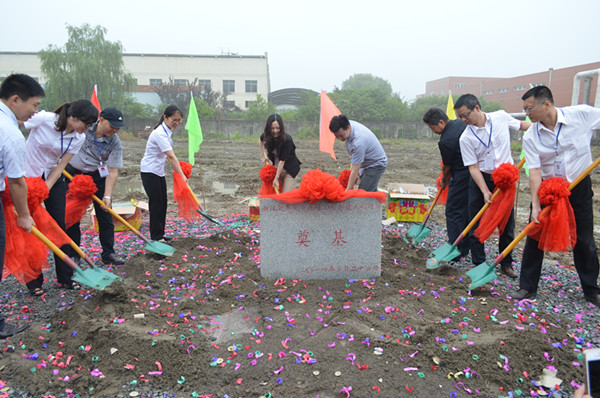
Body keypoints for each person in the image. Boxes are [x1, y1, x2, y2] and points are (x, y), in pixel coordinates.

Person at [511, 86, 600, 304]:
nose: (527, 114)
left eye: (530, 108)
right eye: (524, 109)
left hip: (577, 186)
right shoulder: (532, 135)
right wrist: (536, 204)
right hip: (548, 189)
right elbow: (534, 170)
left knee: (584, 238)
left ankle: (591, 288)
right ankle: (527, 286)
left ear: (547, 104)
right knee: (534, 235)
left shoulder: (582, 115)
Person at [23, 99, 99, 295]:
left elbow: (60, 166)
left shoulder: (79, 138)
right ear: (73, 117)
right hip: (27, 176)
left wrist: (45, 188)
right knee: (30, 228)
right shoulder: (45, 119)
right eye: (86, 123)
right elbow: (18, 125)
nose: (88, 128)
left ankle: (65, 277)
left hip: (51, 180)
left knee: (59, 225)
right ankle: (34, 281)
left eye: (91, 125)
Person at [454, 94, 530, 278]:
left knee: (507, 224)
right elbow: (473, 167)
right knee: (476, 221)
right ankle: (479, 263)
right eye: (460, 117)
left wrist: (542, 127)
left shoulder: (501, 117)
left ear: (477, 108)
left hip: (505, 181)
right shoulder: (466, 138)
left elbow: (522, 126)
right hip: (483, 179)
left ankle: (506, 263)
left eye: (466, 115)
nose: (464, 120)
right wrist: (485, 190)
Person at [0, 74, 43, 336]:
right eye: (34, 105)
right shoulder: (10, 133)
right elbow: (17, 182)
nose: (35, 111)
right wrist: (25, 216)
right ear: (16, 100)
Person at [65, 107, 126, 265]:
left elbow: (112, 171)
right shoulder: (83, 129)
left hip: (97, 176)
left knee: (105, 216)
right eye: (112, 126)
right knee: (73, 216)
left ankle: (108, 253)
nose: (115, 130)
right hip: (73, 174)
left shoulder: (115, 142)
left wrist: (107, 196)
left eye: (118, 127)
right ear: (102, 120)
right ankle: (74, 255)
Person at [423, 108, 471, 259]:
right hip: (475, 173)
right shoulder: (460, 124)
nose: (433, 131)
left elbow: (447, 166)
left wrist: (444, 181)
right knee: (466, 212)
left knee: (453, 211)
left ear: (441, 122)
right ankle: (464, 248)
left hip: (462, 175)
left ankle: (454, 249)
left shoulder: (445, 141)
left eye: (433, 128)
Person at [140, 105, 188, 242]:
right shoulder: (160, 133)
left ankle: (160, 234)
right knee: (156, 204)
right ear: (165, 117)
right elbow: (171, 157)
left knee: (163, 204)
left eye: (179, 121)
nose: (177, 123)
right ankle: (156, 237)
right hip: (149, 171)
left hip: (158, 172)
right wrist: (181, 175)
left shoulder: (167, 131)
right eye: (174, 120)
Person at [329, 114, 387, 192]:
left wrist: (348, 190)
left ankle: (381, 198)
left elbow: (355, 170)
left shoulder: (358, 142)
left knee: (363, 193)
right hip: (365, 162)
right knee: (369, 188)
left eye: (341, 135)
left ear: (348, 128)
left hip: (376, 163)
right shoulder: (347, 125)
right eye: (337, 136)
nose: (340, 138)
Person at [259, 114, 302, 192]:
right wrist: (263, 156)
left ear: (281, 128)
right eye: (272, 128)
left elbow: (282, 162)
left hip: (289, 171)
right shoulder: (267, 136)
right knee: (276, 195)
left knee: (285, 196)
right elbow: (260, 140)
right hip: (276, 170)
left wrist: (276, 178)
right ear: (268, 128)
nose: (275, 131)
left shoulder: (287, 140)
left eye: (277, 128)